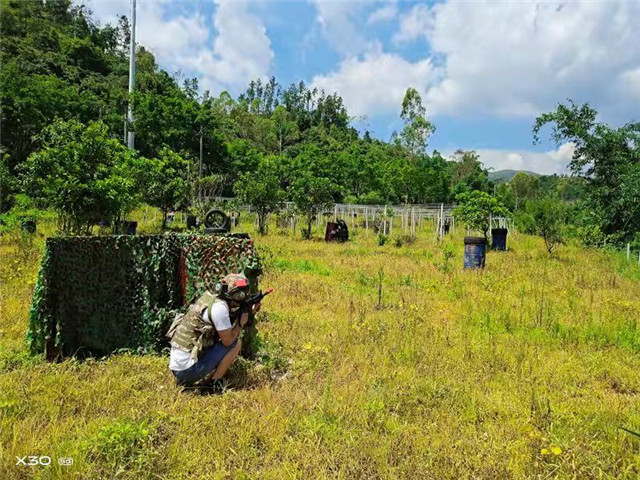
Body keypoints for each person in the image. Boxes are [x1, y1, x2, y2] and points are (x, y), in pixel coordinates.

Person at [166, 273, 260, 391]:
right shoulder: (220, 309)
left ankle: (206, 378)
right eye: (241, 295)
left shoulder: (210, 299)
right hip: (186, 372)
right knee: (235, 344)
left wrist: (250, 311)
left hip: (178, 368)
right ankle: (214, 385)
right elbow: (228, 341)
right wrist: (240, 324)